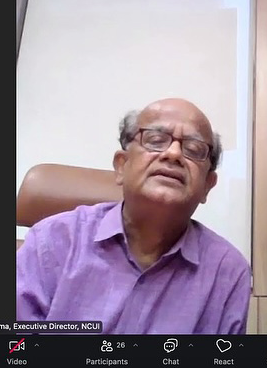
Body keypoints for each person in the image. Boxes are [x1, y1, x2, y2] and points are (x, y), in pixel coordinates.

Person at [17, 98, 251, 334]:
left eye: (193, 149)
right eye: (156, 140)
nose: (173, 153)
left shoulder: (227, 273)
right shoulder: (51, 241)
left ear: (207, 186)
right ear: (122, 166)